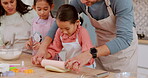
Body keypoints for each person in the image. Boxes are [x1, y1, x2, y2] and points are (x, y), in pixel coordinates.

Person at [33, 0, 138, 73]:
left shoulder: (121, 2)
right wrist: (43, 47)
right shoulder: (82, 0)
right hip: (99, 51)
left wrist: (89, 54)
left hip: (123, 55)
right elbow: (58, 22)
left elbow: (124, 39)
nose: (82, 2)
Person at [32, 4, 95, 69]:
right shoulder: (59, 32)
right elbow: (54, 49)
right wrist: (44, 56)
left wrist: (78, 62)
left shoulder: (82, 32)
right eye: (61, 28)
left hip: (85, 66)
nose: (64, 32)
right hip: (70, 65)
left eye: (67, 28)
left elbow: (87, 52)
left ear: (77, 22)